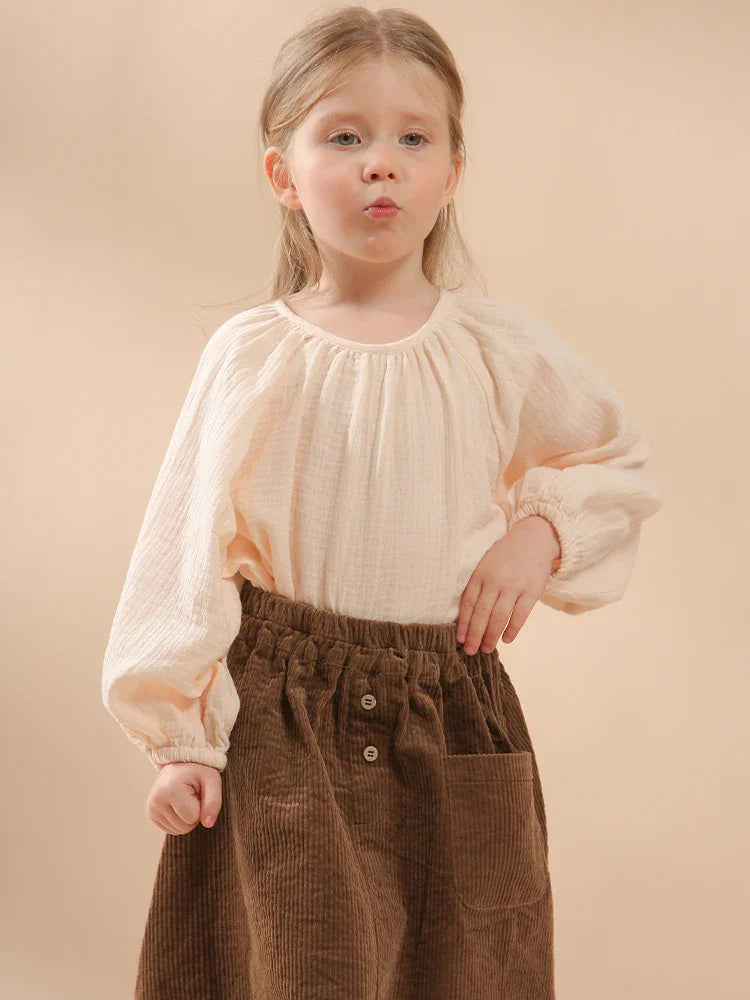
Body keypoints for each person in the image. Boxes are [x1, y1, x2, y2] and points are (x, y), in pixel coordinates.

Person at [101, 7, 663, 999]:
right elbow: (182, 548)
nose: (381, 164)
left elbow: (619, 461)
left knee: (466, 971)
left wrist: (543, 534)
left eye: (414, 137)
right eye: (346, 136)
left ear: (452, 172)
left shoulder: (497, 349)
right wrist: (179, 739)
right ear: (284, 174)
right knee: (287, 968)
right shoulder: (254, 356)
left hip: (451, 722)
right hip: (281, 729)